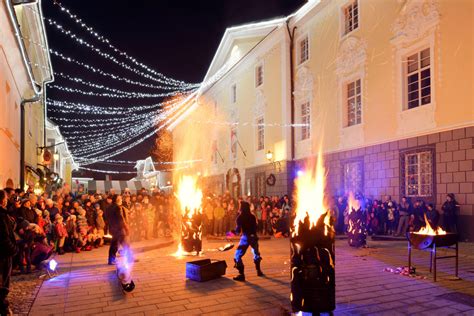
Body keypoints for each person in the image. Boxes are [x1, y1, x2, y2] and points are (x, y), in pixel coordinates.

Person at [232, 201, 263, 282]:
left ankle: (241, 275)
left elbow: (238, 230)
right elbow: (256, 227)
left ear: (242, 208)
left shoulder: (240, 217)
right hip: (253, 237)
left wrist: (230, 233)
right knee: (256, 254)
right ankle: (259, 271)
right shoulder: (252, 216)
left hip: (245, 238)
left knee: (237, 256)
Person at [0, 190, 18, 315]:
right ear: (2, 200)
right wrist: (13, 249)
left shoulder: (4, 214)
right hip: (3, 254)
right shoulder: (1, 215)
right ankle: (3, 308)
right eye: (6, 198)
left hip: (4, 252)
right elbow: (4, 236)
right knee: (2, 283)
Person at [106, 195, 130, 265]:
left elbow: (107, 218)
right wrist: (126, 228)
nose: (121, 200)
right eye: (120, 198)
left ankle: (111, 259)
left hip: (113, 228)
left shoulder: (108, 207)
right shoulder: (117, 207)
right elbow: (121, 219)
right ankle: (129, 258)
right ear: (117, 200)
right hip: (120, 229)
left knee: (114, 244)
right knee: (123, 244)